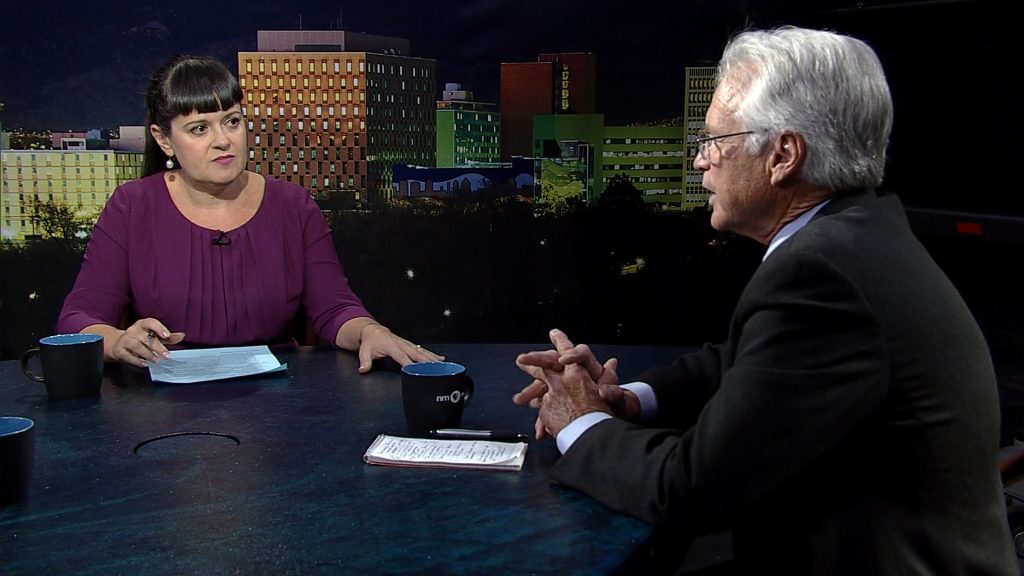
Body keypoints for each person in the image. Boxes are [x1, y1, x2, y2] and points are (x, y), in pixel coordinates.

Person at [513, 26, 1016, 575]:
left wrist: (579, 421)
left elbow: (690, 489)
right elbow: (741, 363)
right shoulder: (859, 235)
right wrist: (628, 401)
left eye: (713, 142)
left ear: (783, 155)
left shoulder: (823, 273)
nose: (699, 162)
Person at [56, 54, 441, 373]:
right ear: (162, 138)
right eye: (199, 129)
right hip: (164, 404)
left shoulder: (292, 206)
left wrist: (370, 330)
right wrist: (120, 342)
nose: (222, 140)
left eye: (232, 122)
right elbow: (78, 321)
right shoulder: (132, 206)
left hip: (280, 404)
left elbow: (335, 308)